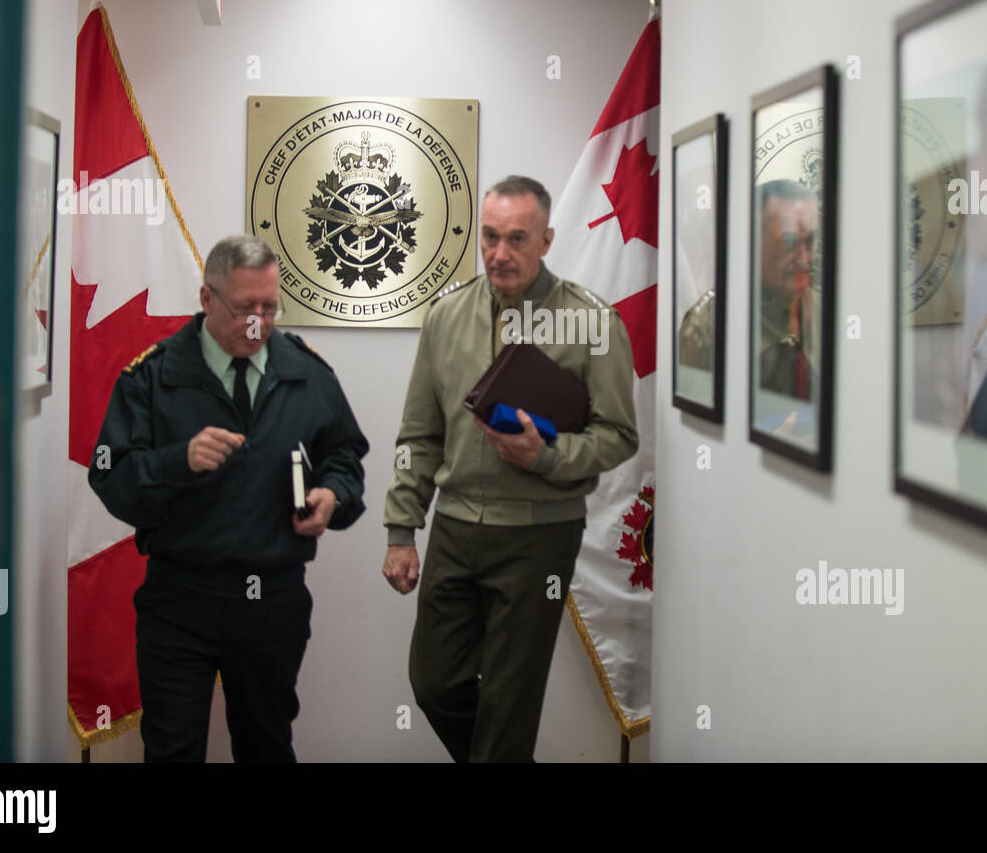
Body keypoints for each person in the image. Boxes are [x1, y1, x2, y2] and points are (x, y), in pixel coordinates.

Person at [382, 175, 638, 762]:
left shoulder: (593, 322)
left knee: (508, 704)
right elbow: (419, 434)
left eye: (517, 238)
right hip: (454, 530)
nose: (499, 253)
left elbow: (619, 436)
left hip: (538, 538)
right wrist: (401, 529)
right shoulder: (446, 316)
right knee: (435, 684)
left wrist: (546, 456)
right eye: (490, 237)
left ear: (546, 240)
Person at [88, 234, 369, 762]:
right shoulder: (153, 375)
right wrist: (178, 460)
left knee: (266, 747)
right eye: (244, 309)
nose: (258, 323)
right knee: (172, 751)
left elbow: (345, 456)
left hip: (272, 601)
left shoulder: (306, 372)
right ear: (207, 298)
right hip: (179, 600)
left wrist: (333, 495)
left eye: (269, 308)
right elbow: (109, 475)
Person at [756, 179, 819, 401]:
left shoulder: (831, 314)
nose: (803, 258)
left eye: (810, 241)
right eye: (788, 242)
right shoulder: (712, 326)